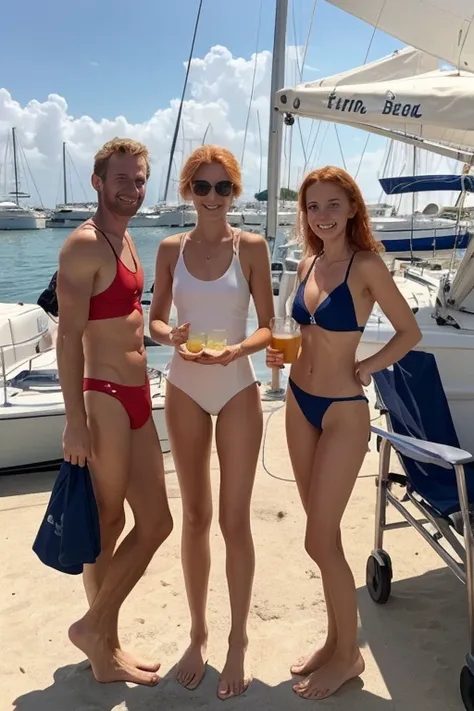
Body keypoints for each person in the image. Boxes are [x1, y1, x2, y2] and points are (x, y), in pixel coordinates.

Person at [266, 166, 422, 701]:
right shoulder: (308, 261)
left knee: (318, 537)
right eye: (313, 206)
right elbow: (302, 334)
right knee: (322, 534)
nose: (322, 215)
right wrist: (278, 354)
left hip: (342, 410)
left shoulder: (367, 265)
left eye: (334, 204)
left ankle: (349, 654)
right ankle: (336, 645)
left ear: (354, 207)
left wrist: (370, 365)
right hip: (298, 401)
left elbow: (410, 331)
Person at [149, 145, 274, 699]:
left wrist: (235, 350)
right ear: (187, 192)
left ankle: (238, 639)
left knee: (234, 521)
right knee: (195, 516)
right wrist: (166, 336)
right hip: (184, 386)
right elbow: (154, 319)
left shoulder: (252, 247)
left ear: (235, 192)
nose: (213, 197)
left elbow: (268, 327)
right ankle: (198, 633)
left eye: (224, 188)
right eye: (203, 187)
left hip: (237, 384)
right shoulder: (170, 248)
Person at [56, 138, 173, 686]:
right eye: (122, 179)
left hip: (137, 396)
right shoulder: (83, 246)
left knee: (156, 522)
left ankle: (96, 628)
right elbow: (67, 338)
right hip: (102, 395)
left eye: (140, 179)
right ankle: (105, 649)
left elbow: (130, 318)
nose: (133, 188)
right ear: (98, 182)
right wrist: (74, 420)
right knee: (107, 524)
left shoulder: (126, 242)